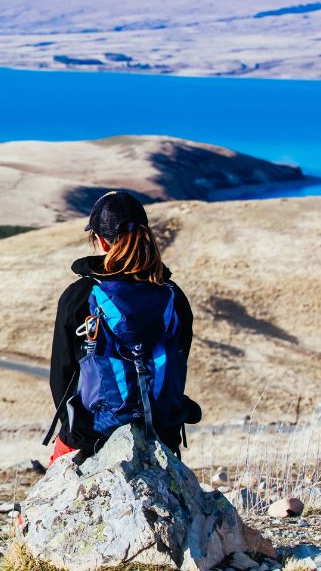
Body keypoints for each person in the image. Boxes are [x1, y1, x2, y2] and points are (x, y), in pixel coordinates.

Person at [45, 190, 198, 465]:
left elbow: (62, 374)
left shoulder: (80, 295)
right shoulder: (173, 295)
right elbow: (179, 360)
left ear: (100, 241)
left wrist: (74, 431)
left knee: (40, 509)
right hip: (162, 431)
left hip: (91, 432)